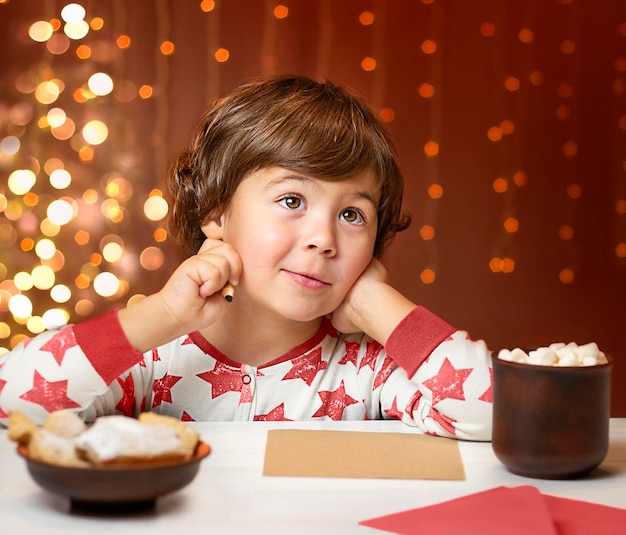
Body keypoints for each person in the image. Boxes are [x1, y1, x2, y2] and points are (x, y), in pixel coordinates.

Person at [0, 75, 493, 440]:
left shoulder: (369, 369)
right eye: (292, 201)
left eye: (352, 215)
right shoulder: (153, 353)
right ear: (215, 212)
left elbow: (493, 413)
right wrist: (164, 314)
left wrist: (372, 301)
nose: (324, 239)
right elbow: (14, 401)